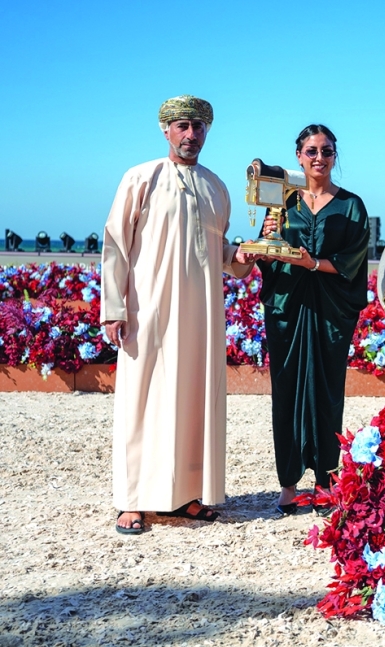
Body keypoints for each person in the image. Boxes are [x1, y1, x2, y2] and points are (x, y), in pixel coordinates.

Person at [102, 95, 255, 535]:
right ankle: (131, 500)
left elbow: (220, 251)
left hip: (200, 316)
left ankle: (185, 495)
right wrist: (114, 308)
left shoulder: (217, 187)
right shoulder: (141, 178)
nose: (192, 135)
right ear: (166, 129)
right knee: (141, 400)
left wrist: (244, 254)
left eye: (199, 127)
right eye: (183, 126)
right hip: (146, 310)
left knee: (192, 399)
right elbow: (116, 245)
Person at [258, 124, 370, 515]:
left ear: (334, 155)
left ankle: (326, 481)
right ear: (298, 156)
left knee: (326, 391)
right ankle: (288, 483)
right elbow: (266, 254)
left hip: (330, 312)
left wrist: (314, 263)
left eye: (326, 151)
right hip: (288, 309)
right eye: (311, 151)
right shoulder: (282, 203)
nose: (319, 158)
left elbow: (354, 260)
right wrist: (267, 246)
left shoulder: (352, 205)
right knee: (286, 391)